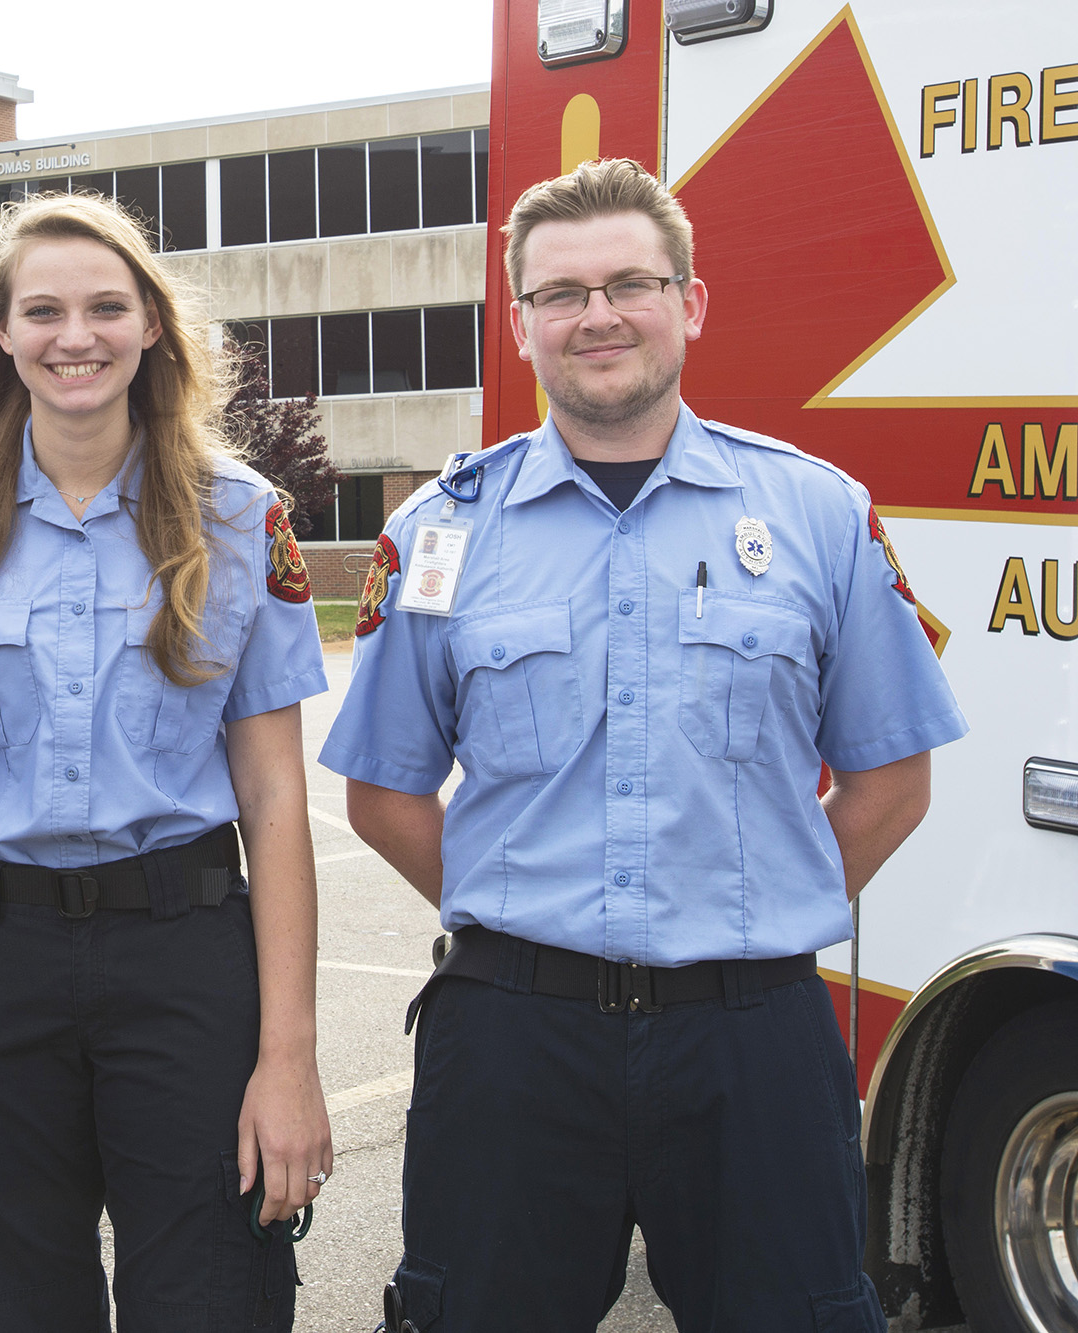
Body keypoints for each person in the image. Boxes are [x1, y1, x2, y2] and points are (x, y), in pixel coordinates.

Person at [321, 158, 968, 1332]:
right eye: (559, 292)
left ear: (690, 302)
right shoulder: (440, 533)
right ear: (518, 324)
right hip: (511, 1041)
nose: (597, 314)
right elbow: (383, 790)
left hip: (751, 1040)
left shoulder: (814, 513)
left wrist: (750, 901)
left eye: (630, 282)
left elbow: (889, 776)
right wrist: (517, 905)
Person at [0, 192, 334, 1332]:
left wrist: (288, 1058)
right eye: (41, 311)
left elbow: (275, 799)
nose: (72, 335)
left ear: (151, 330)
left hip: (181, 957)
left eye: (103, 307)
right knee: (3, 1300)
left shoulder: (237, 515)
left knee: (212, 1298)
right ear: (0, 335)